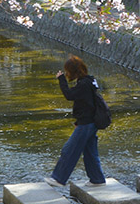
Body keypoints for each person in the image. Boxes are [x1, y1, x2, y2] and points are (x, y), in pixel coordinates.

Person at [44, 55, 107, 189]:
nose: (66, 74)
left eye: (67, 71)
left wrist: (61, 80)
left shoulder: (84, 84)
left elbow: (69, 95)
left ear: (73, 71)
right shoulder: (89, 81)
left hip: (87, 123)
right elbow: (86, 104)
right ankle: (97, 179)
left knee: (69, 150)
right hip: (90, 123)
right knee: (90, 152)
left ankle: (59, 178)